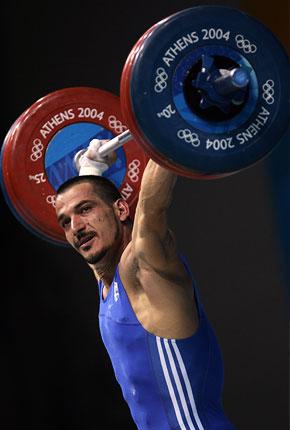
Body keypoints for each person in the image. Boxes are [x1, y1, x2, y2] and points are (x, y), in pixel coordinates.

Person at [55, 139, 235, 430]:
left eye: (85, 209)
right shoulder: (105, 280)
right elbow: (98, 236)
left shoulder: (143, 266)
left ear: (123, 210)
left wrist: (171, 125)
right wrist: (92, 168)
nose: (75, 227)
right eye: (65, 222)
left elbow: (152, 210)